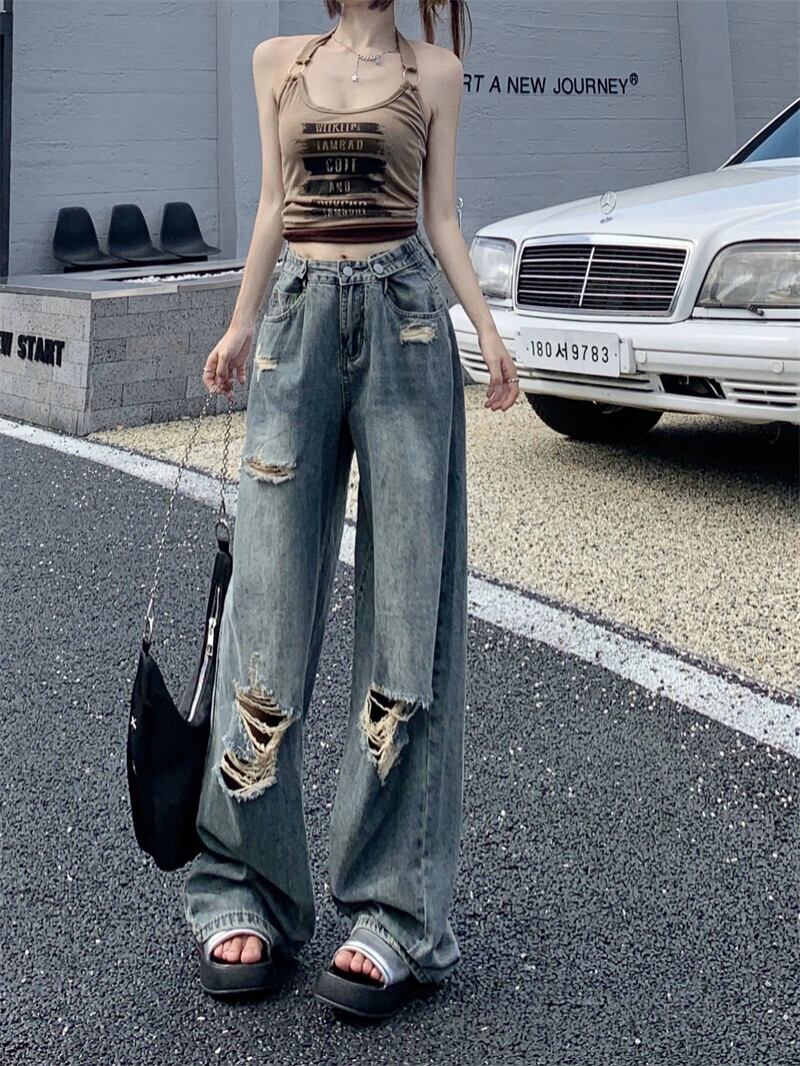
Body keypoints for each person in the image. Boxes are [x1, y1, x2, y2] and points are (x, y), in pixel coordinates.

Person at [183, 0, 519, 1020]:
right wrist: (241, 323)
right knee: (266, 609)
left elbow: (441, 216)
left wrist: (485, 330)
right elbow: (271, 204)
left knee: (407, 614)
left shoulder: (434, 72)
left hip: (407, 326)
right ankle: (245, 887)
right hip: (295, 321)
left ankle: (394, 912)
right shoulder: (276, 61)